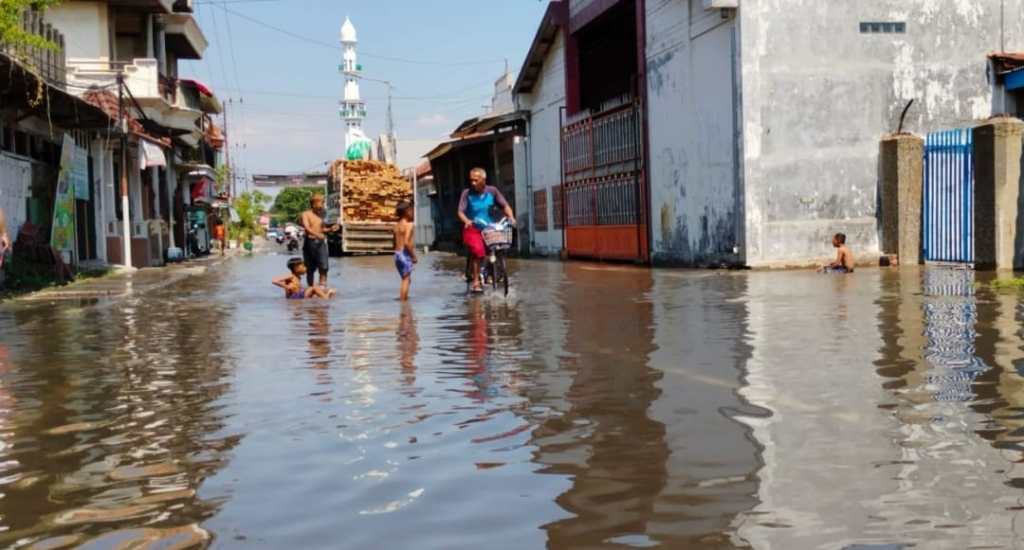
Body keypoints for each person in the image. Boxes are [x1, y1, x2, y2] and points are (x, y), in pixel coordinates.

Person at [457, 167, 516, 293]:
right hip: (473, 228)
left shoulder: (492, 191)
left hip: (489, 227)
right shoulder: (467, 193)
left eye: (476, 180)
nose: (473, 183)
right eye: (471, 180)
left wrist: (511, 217)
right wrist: (467, 221)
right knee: (478, 251)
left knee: (498, 246)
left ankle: (493, 273)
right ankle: (476, 281)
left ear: (483, 180)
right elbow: (460, 211)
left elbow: (505, 206)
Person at [300, 194, 340, 289]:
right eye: (319, 203)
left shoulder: (322, 214)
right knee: (310, 268)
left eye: (322, 203)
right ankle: (311, 287)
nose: (321, 205)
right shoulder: (306, 214)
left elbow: (322, 229)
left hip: (321, 243)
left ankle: (322, 287)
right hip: (310, 242)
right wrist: (317, 235)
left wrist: (331, 229)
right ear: (312, 204)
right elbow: (307, 227)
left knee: (324, 266)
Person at [393, 200, 418, 301]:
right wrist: (413, 256)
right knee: (406, 280)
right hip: (404, 254)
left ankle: (404, 299)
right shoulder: (409, 225)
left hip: (397, 254)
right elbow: (407, 242)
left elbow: (393, 243)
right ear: (406, 211)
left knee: (406, 279)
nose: (412, 213)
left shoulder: (396, 226)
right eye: (411, 210)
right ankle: (403, 303)